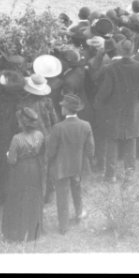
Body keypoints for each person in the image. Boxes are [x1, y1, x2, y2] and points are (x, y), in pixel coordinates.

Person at [94, 39, 139, 181]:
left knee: (112, 141)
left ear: (120, 51)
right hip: (133, 109)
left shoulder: (111, 68)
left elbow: (105, 91)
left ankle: (110, 175)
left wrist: (99, 102)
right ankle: (129, 174)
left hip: (114, 110)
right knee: (130, 142)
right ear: (133, 51)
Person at [46, 93, 94, 234]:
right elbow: (90, 149)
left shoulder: (58, 127)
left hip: (61, 168)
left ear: (66, 110)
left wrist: (51, 161)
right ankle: (79, 213)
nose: (61, 109)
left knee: (62, 195)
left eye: (62, 107)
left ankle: (63, 226)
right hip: (78, 166)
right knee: (77, 190)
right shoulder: (86, 125)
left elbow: (51, 151)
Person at [1, 107, 46, 243]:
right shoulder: (40, 134)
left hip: (20, 170)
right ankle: (34, 230)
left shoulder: (17, 138)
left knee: (18, 198)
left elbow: (12, 160)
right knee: (33, 197)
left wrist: (8, 155)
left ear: (22, 122)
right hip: (35, 169)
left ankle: (18, 232)